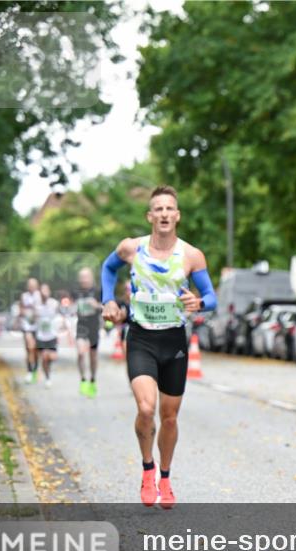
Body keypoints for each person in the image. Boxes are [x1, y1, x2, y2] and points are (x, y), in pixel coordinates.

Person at [100, 185, 217, 509]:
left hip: (175, 341)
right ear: (150, 216)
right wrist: (108, 299)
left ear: (177, 216)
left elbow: (211, 298)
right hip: (140, 338)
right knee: (146, 408)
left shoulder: (192, 255)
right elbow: (108, 269)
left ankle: (165, 477)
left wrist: (199, 301)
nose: (164, 214)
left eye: (170, 209)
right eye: (158, 209)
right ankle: (147, 468)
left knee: (168, 417)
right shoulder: (131, 249)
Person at [73, 267, 103, 397]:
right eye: (82, 277)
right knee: (80, 353)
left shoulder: (98, 291)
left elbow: (107, 308)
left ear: (91, 278)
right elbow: (69, 307)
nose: (84, 280)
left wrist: (96, 305)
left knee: (93, 355)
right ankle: (83, 380)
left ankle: (93, 379)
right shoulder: (76, 292)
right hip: (81, 325)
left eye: (86, 277)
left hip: (94, 326)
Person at [34, 284, 64, 387]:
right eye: (42, 290)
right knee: (44, 357)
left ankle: (47, 371)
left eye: (46, 290)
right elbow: (32, 318)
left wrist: (63, 326)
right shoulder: (36, 305)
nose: (44, 292)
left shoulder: (54, 303)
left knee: (52, 357)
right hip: (41, 336)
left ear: (49, 292)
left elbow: (61, 315)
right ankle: (47, 378)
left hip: (52, 335)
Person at [20, 278, 43, 383]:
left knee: (36, 350)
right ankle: (29, 371)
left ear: (37, 285)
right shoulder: (24, 296)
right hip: (27, 326)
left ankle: (35, 370)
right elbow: (20, 309)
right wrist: (24, 312)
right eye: (30, 285)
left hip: (38, 327)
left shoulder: (40, 295)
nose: (31, 286)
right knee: (29, 348)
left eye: (34, 285)